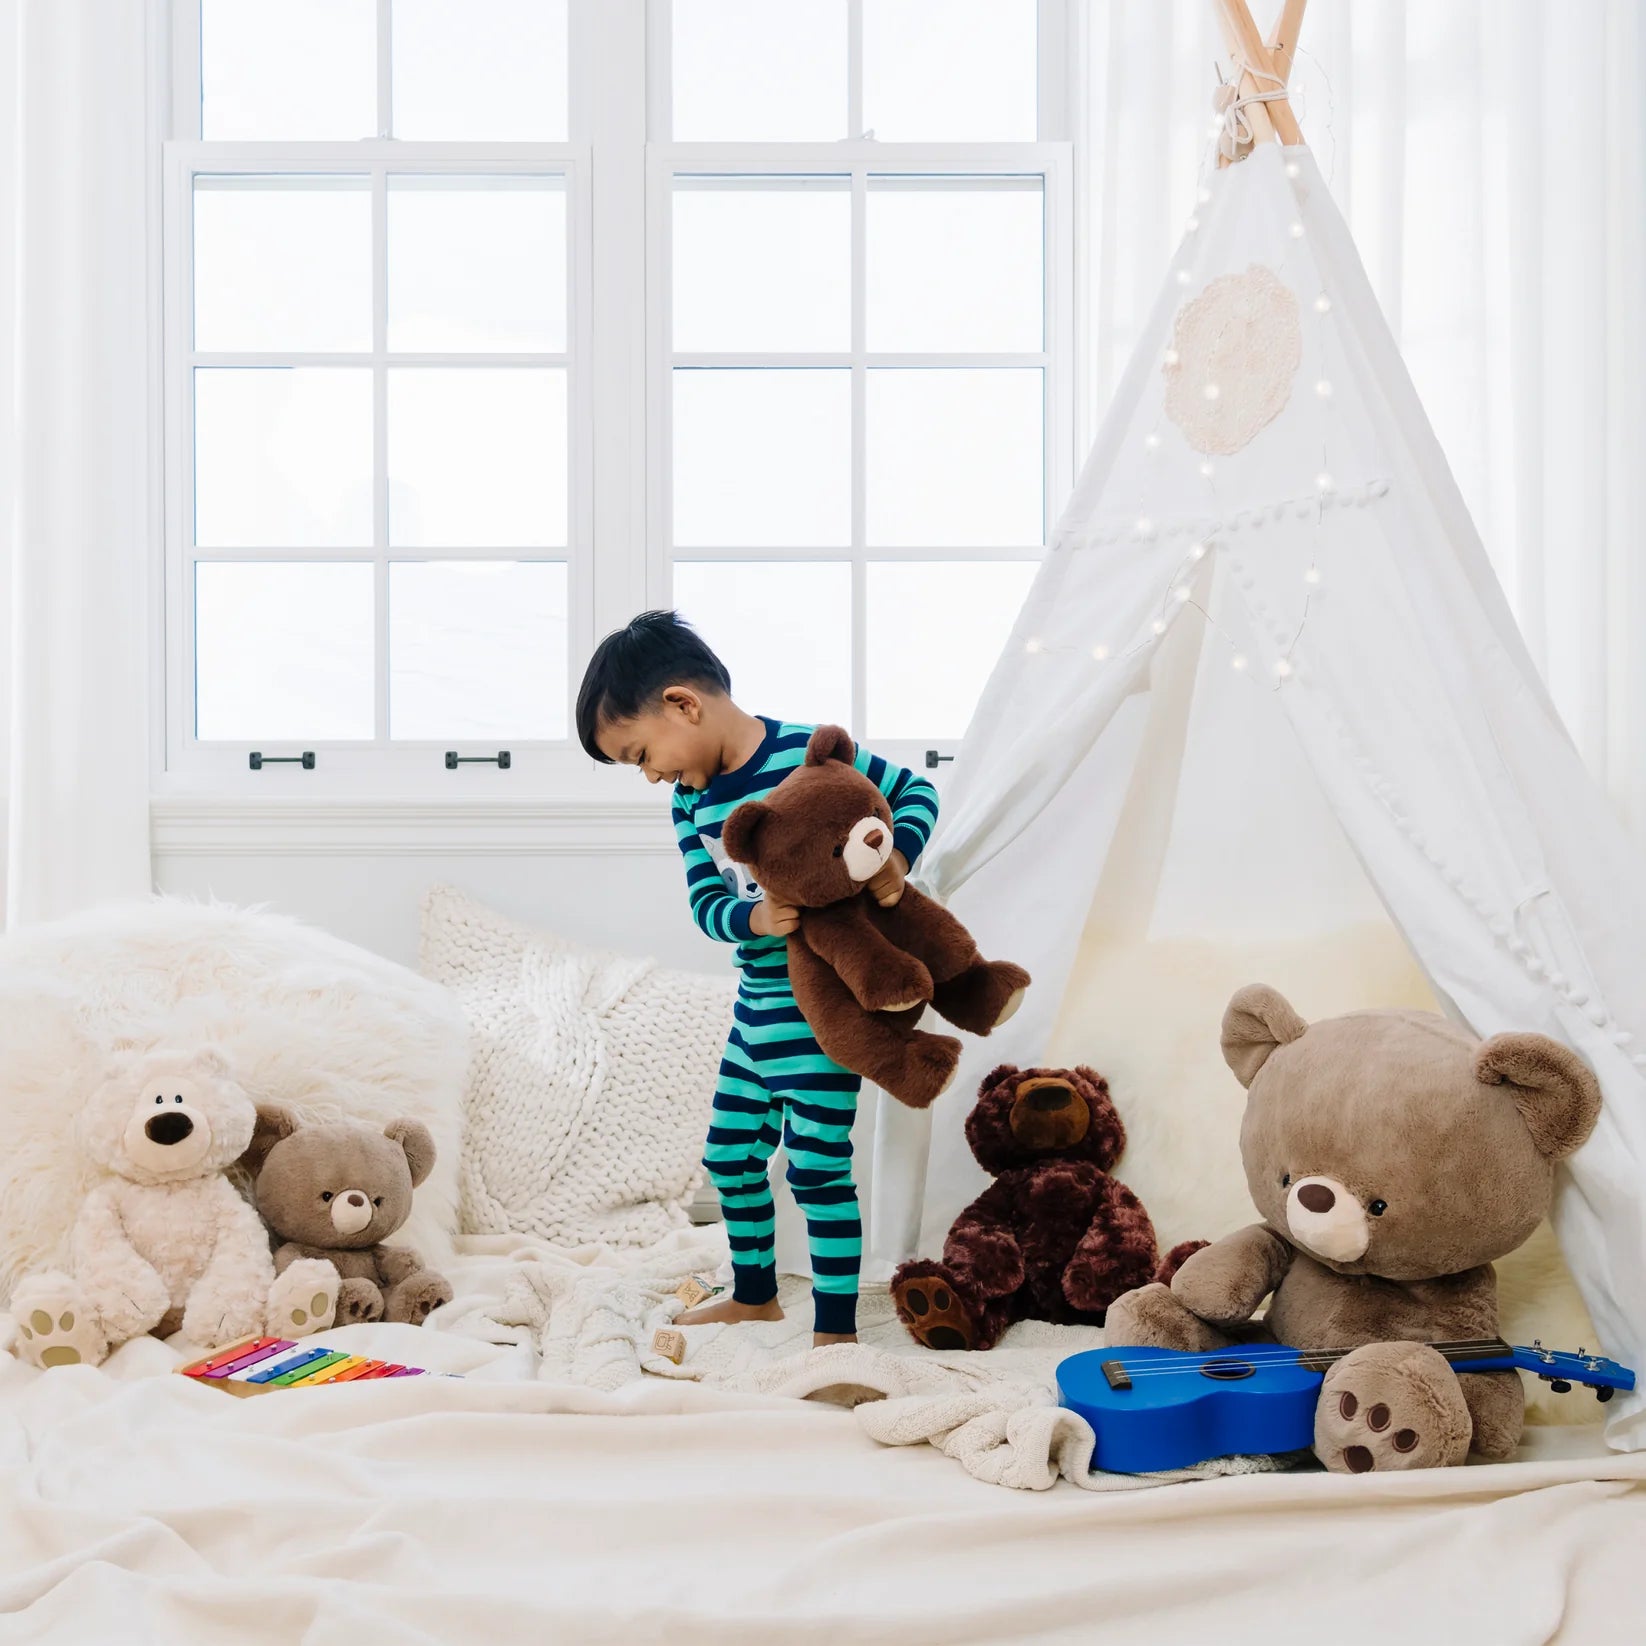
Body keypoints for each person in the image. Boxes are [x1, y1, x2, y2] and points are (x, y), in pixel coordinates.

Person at [577, 611, 939, 1345]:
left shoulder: (811, 755)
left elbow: (916, 793)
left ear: (683, 704)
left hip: (824, 1009)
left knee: (815, 1166)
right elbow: (705, 905)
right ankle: (754, 1295)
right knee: (729, 1158)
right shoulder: (689, 802)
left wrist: (892, 860)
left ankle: (835, 1329)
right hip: (756, 1011)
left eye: (642, 753)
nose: (651, 775)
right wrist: (752, 919)